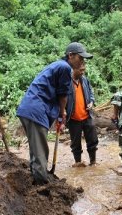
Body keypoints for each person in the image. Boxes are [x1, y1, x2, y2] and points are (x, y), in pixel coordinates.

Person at [17, 42, 93, 185]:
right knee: (40, 151)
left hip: (29, 109)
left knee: (36, 147)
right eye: (80, 58)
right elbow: (63, 95)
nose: (82, 62)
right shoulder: (65, 68)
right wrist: (62, 114)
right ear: (70, 56)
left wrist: (59, 115)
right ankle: (42, 185)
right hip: (36, 110)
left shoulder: (58, 65)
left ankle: (36, 177)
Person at [66, 63, 98, 167]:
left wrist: (91, 102)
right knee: (75, 144)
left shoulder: (84, 80)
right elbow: (62, 97)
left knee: (92, 140)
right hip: (73, 118)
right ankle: (78, 163)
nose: (83, 72)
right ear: (74, 69)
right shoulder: (67, 82)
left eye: (84, 70)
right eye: (81, 70)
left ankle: (93, 162)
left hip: (87, 116)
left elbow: (91, 92)